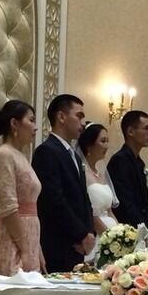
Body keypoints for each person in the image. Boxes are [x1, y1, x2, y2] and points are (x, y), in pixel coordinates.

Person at [31, 93, 94, 273]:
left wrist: (89, 233)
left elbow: (84, 198)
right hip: (58, 243)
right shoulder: (46, 151)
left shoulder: (74, 155)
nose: (83, 123)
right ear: (61, 117)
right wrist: (80, 234)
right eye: (79, 116)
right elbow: (53, 200)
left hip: (78, 245)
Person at [0, 100, 44, 279]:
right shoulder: (4, 154)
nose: (35, 127)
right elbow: (8, 207)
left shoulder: (21, 156)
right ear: (15, 123)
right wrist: (25, 249)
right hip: (13, 237)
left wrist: (36, 248)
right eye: (31, 120)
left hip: (28, 235)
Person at [107, 110, 148, 235]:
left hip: (142, 230)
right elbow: (125, 202)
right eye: (146, 128)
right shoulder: (119, 161)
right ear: (130, 132)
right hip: (128, 230)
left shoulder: (139, 162)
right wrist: (143, 231)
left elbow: (146, 204)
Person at [78, 122, 117, 233]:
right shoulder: (82, 173)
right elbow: (89, 212)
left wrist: (121, 232)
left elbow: (109, 211)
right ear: (89, 145)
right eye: (103, 141)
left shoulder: (101, 175)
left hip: (111, 232)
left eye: (107, 141)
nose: (106, 145)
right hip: (95, 232)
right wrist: (108, 235)